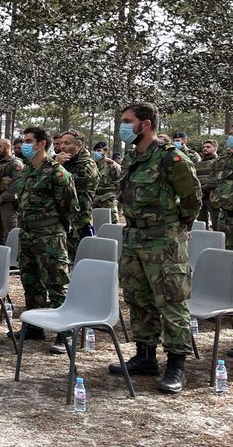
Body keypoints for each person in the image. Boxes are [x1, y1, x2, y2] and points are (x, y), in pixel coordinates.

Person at [109, 102, 200, 394]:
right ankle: (145, 356)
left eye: (127, 121)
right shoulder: (133, 159)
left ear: (145, 124)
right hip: (134, 238)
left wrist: (178, 227)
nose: (122, 126)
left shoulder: (171, 158)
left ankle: (176, 365)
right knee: (138, 298)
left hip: (164, 241)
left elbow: (192, 200)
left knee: (171, 301)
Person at [12, 126, 78, 355]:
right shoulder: (27, 170)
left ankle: (65, 331)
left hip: (49, 235)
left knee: (56, 283)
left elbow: (70, 206)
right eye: (24, 141)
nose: (25, 144)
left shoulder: (57, 172)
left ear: (42, 144)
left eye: (29, 141)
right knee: (30, 281)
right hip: (28, 234)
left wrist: (52, 227)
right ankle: (35, 326)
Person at [57, 130, 99, 262]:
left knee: (76, 260)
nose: (62, 146)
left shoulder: (87, 165)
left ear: (79, 145)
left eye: (67, 143)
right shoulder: (66, 162)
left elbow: (69, 184)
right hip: (62, 217)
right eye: (62, 143)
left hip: (78, 220)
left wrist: (57, 167)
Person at [0, 138, 23, 246]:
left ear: (7, 146)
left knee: (10, 234)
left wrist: (3, 197)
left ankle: (12, 260)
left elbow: (19, 183)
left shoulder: (15, 163)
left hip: (8, 205)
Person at [211, 128, 233, 250]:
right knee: (226, 255)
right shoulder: (220, 162)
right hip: (224, 218)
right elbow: (213, 183)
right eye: (230, 135)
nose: (230, 137)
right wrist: (217, 201)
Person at [92, 141, 121, 223]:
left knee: (113, 223)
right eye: (95, 151)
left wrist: (115, 197)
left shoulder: (112, 165)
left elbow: (120, 181)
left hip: (108, 200)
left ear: (105, 151)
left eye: (99, 150)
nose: (96, 153)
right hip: (95, 200)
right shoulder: (93, 165)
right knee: (97, 224)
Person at [195, 139, 218, 229]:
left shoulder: (219, 162)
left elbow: (216, 180)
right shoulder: (198, 163)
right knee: (201, 225)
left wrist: (202, 188)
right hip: (200, 197)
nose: (205, 149)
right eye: (204, 147)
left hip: (213, 197)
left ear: (215, 148)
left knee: (216, 223)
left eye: (208, 147)